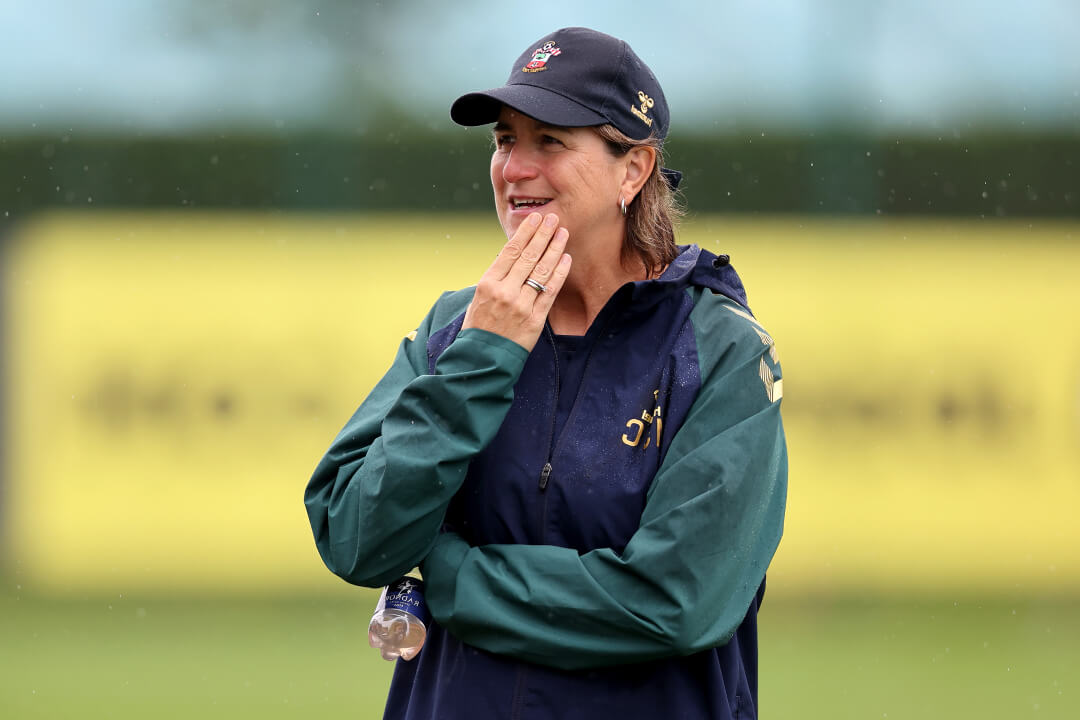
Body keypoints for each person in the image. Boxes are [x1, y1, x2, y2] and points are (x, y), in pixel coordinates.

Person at [305, 26, 787, 720]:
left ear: (634, 169)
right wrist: (483, 357)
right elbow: (355, 537)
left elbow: (673, 603)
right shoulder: (458, 327)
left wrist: (452, 575)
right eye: (505, 140)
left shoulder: (719, 349)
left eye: (550, 141)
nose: (514, 168)